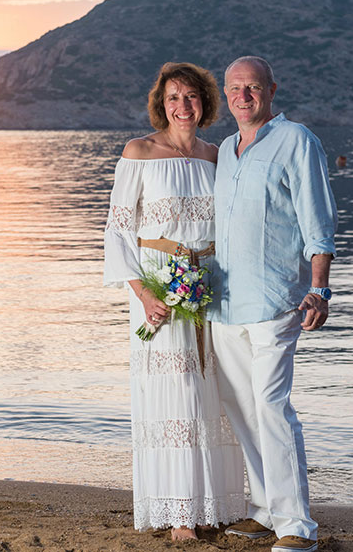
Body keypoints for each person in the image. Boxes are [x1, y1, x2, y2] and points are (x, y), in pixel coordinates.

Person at [103, 62, 246, 540]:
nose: (182, 106)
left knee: (213, 394)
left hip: (210, 285)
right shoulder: (139, 151)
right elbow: (119, 232)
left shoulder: (218, 155)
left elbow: (232, 226)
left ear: (205, 101)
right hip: (158, 287)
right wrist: (143, 294)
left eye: (191, 97)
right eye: (173, 98)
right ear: (160, 104)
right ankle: (179, 515)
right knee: (175, 395)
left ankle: (211, 507)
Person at [210, 56, 337, 552]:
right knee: (242, 409)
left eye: (253, 87)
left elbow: (317, 220)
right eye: (235, 88)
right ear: (226, 94)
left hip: (276, 301)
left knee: (271, 407)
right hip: (224, 304)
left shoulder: (297, 140)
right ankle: (264, 509)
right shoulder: (224, 149)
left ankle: (297, 527)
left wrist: (320, 288)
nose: (244, 96)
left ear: (271, 90)